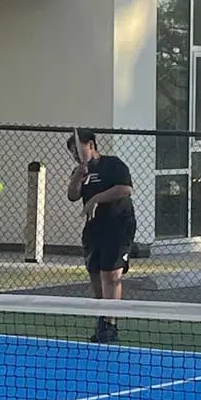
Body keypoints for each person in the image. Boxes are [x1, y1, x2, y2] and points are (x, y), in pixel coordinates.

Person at [66, 130, 136, 343]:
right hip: (93, 230)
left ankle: (111, 324)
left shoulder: (113, 165)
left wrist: (96, 198)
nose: (76, 156)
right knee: (96, 275)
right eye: (72, 153)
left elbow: (125, 189)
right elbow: (72, 195)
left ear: (91, 145)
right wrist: (77, 178)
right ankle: (102, 317)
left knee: (111, 275)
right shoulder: (80, 172)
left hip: (118, 226)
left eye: (78, 150)